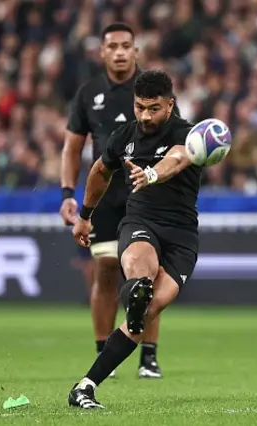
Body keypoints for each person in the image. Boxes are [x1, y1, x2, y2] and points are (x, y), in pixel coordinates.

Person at [67, 70, 201, 409]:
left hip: (182, 236)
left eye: (154, 108)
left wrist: (152, 173)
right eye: (140, 107)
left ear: (170, 104)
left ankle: (83, 385)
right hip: (141, 221)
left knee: (148, 310)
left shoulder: (188, 134)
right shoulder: (123, 136)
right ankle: (86, 388)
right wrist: (85, 216)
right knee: (141, 277)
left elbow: (178, 158)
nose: (145, 115)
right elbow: (99, 171)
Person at [60, 22, 167, 379]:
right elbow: (72, 147)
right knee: (105, 273)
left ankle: (148, 356)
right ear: (102, 52)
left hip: (146, 193)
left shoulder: (153, 90)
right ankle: (104, 349)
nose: (120, 52)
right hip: (105, 196)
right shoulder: (88, 93)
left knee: (147, 274)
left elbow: (177, 144)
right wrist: (66, 194)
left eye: (126, 45)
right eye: (113, 46)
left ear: (136, 50)